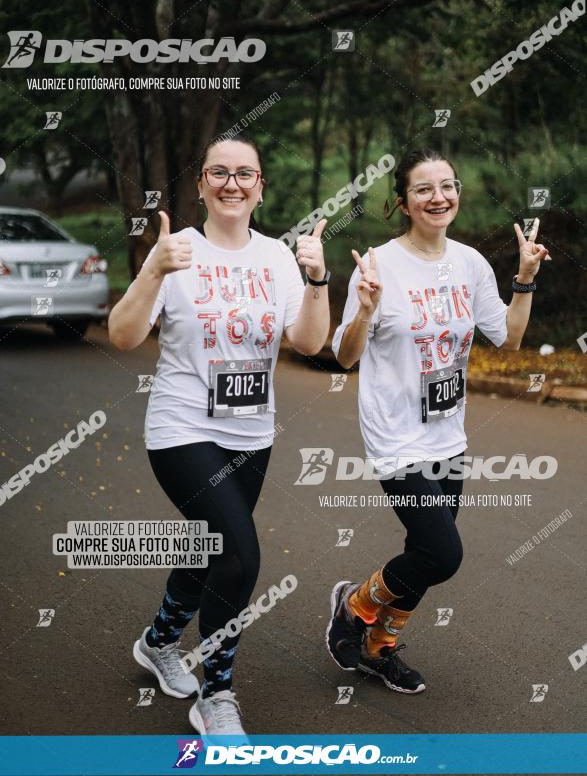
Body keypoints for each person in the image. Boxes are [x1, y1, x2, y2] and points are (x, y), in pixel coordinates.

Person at [108, 136, 330, 734]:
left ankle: (158, 643)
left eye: (245, 174)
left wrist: (318, 280)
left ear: (261, 187)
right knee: (240, 552)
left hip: (252, 433)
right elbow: (123, 336)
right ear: (202, 184)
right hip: (181, 427)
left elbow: (310, 343)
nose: (233, 184)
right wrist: (152, 267)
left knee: (210, 547)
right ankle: (217, 693)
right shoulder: (176, 252)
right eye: (219, 173)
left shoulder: (279, 259)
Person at [326, 148, 550, 694]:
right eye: (423, 189)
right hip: (395, 436)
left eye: (447, 185)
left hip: (448, 431)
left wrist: (523, 279)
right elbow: (345, 356)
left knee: (422, 553)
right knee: (441, 553)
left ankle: (379, 649)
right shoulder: (378, 264)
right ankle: (353, 606)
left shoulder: (470, 263)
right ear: (402, 202)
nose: (438, 197)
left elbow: (510, 338)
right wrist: (365, 310)